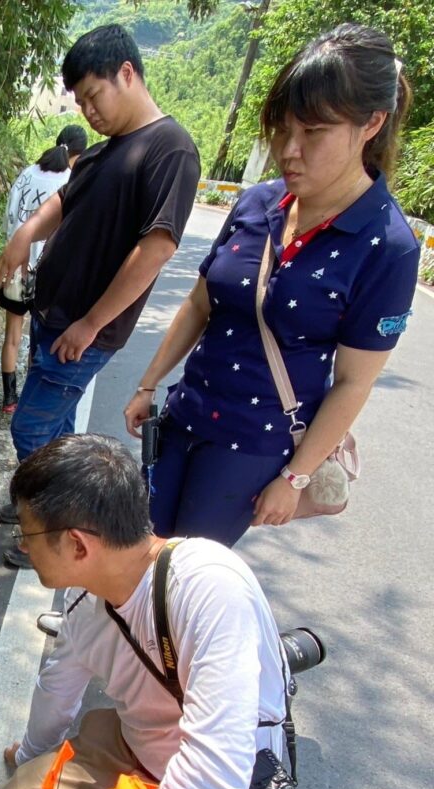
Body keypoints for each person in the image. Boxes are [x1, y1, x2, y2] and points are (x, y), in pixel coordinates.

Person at [0, 434, 289, 789]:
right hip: (131, 751)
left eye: (29, 534)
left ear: (77, 544)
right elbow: (59, 685)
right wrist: (31, 754)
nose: (23, 545)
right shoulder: (86, 598)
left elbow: (218, 771)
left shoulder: (208, 585)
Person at [124, 24, 420, 547]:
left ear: (372, 123)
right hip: (184, 413)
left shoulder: (386, 244)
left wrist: (294, 477)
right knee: (137, 546)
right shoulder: (257, 203)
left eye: (314, 132)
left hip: (252, 447)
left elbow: (354, 381)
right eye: (283, 130)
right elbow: (200, 302)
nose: (290, 150)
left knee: (187, 576)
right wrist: (150, 383)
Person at [0, 24, 200, 569]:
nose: (88, 111)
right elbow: (60, 203)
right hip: (52, 318)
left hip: (82, 332)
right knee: (56, 429)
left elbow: (155, 249)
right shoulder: (107, 152)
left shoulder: (169, 149)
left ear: (126, 73)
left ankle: (52, 521)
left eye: (94, 95)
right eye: (80, 102)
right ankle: (52, 507)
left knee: (30, 426)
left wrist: (90, 323)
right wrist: (23, 235)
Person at [0, 124, 87, 413]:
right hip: (47, 272)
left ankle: (8, 399)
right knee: (39, 339)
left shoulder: (26, 174)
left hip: (16, 267)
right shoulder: (73, 181)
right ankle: (28, 399)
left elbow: (10, 217)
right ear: (79, 154)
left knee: (12, 334)